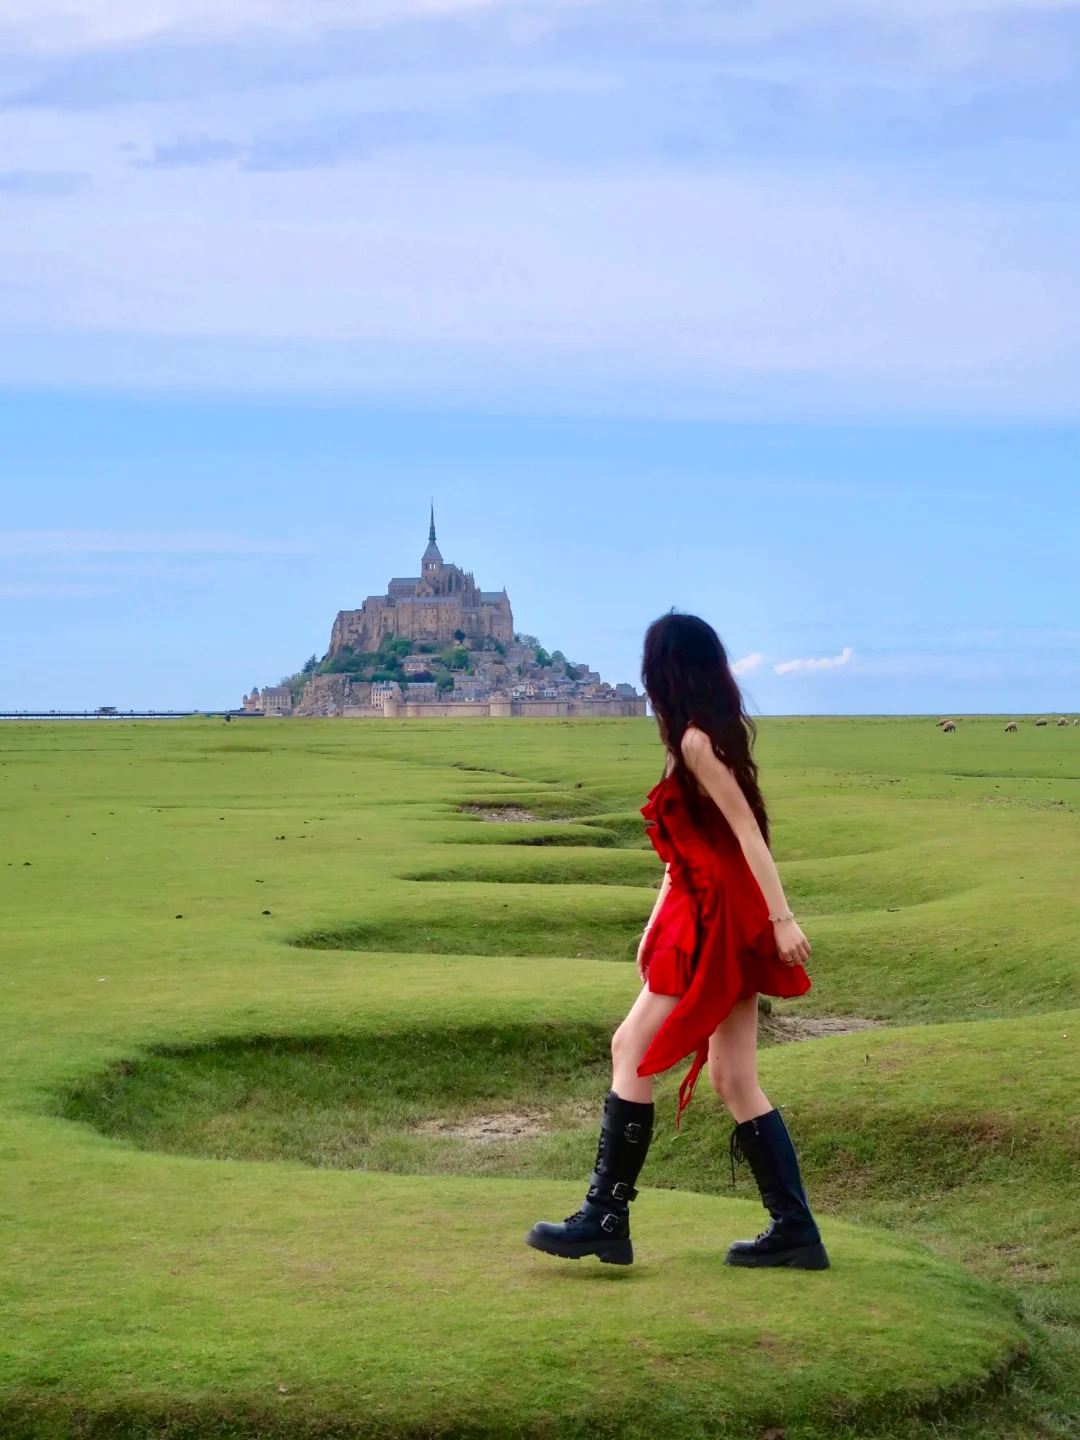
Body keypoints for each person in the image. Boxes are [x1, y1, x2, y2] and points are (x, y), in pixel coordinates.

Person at [525, 611, 829, 1270]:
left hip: (718, 915)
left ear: (666, 672)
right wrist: (652, 925)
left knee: (631, 1048)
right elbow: (685, 851)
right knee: (733, 1076)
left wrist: (782, 920)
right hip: (701, 907)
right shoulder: (691, 740)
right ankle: (796, 1229)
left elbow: (748, 833)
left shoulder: (695, 743)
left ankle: (605, 1216)